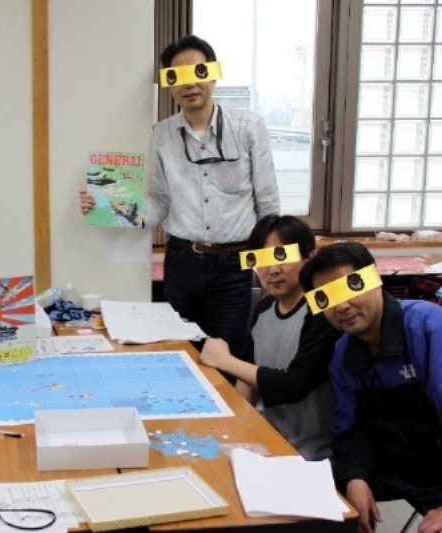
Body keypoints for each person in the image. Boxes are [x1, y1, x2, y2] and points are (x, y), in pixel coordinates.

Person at [80, 35, 279, 358]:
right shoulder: (162, 134)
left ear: (213, 75)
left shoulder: (249, 127)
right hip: (181, 262)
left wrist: (272, 268)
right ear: (169, 84)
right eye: (176, 76)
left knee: (225, 359)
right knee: (178, 354)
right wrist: (105, 205)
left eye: (197, 72)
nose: (188, 84)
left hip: (233, 264)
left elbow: (268, 205)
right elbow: (159, 203)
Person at [300, 242, 442, 533]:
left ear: (376, 280)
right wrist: (355, 477)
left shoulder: (429, 327)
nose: (341, 306)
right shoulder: (342, 354)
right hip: (395, 466)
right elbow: (348, 430)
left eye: (351, 286)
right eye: (326, 298)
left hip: (436, 474)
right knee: (313, 500)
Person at [199, 215, 340, 460]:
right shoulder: (264, 308)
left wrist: (225, 361)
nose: (273, 270)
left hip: (311, 454)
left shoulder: (323, 311)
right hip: (269, 438)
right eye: (262, 259)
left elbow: (294, 385)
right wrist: (232, 426)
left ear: (310, 257)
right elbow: (249, 374)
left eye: (282, 256)